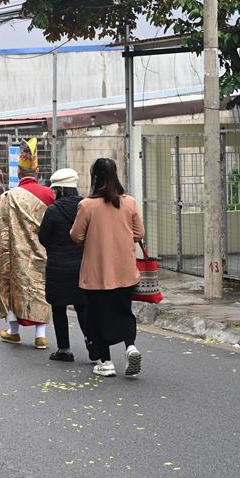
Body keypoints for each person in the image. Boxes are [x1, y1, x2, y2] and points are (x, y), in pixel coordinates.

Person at [69, 158, 145, 378]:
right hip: (125, 271)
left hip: (96, 272)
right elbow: (139, 234)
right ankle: (130, 347)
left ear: (95, 177)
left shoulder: (87, 205)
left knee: (97, 316)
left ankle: (106, 361)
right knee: (124, 312)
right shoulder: (129, 202)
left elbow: (76, 235)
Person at [0, 141, 55, 349]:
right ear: (38, 171)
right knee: (40, 288)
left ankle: (13, 331)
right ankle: (40, 335)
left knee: (12, 285)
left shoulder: (9, 197)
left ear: (17, 172)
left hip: (17, 253)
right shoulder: (49, 194)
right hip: (43, 251)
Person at [39, 168, 92, 362]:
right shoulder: (86, 206)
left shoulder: (53, 210)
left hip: (58, 266)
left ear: (59, 189)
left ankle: (65, 349)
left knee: (59, 308)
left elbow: (43, 237)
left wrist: (55, 248)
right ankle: (91, 342)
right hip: (82, 265)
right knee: (83, 306)